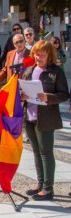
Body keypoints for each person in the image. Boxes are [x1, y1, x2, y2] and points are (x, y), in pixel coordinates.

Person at [21, 40, 69, 200]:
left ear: (49, 55)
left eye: (42, 54)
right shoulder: (29, 71)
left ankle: (48, 189)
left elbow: (64, 95)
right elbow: (23, 91)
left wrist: (49, 97)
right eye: (36, 53)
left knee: (46, 153)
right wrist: (22, 96)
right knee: (36, 152)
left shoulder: (56, 72)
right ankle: (40, 184)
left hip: (47, 118)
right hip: (30, 117)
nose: (38, 56)